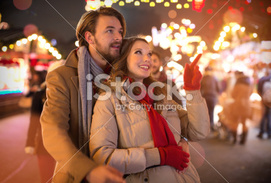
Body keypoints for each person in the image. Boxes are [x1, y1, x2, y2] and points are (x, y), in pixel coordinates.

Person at [89, 37, 209, 182]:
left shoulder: (161, 96)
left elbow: (197, 132)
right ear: (124, 59)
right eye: (138, 52)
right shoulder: (110, 100)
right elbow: (102, 157)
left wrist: (192, 90)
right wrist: (160, 156)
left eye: (149, 54)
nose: (147, 58)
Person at [40, 7, 127, 183]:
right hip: (79, 176)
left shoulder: (126, 75)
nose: (118, 37)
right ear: (89, 37)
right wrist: (89, 170)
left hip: (125, 172)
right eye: (110, 31)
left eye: (120, 31)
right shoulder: (63, 76)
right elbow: (53, 131)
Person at [25, 61, 64, 183]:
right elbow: (34, 120)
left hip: (65, 144)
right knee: (47, 177)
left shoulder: (71, 92)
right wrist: (30, 142)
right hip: (44, 144)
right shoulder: (40, 93)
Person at [230, 71, 253, 144]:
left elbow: (232, 95)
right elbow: (250, 94)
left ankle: (234, 139)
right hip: (246, 106)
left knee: (234, 122)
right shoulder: (249, 86)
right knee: (244, 123)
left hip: (237, 105)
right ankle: (243, 140)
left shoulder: (238, 85)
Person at [200, 66, 221, 131]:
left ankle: (205, 125)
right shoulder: (214, 78)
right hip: (212, 97)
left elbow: (200, 88)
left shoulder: (203, 78)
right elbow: (218, 88)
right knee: (211, 111)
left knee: (205, 111)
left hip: (205, 97)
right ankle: (211, 125)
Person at [257, 69, 271, 139]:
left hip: (263, 101)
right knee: (270, 117)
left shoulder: (262, 79)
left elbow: (258, 90)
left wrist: (263, 97)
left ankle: (261, 132)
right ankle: (269, 133)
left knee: (263, 117)